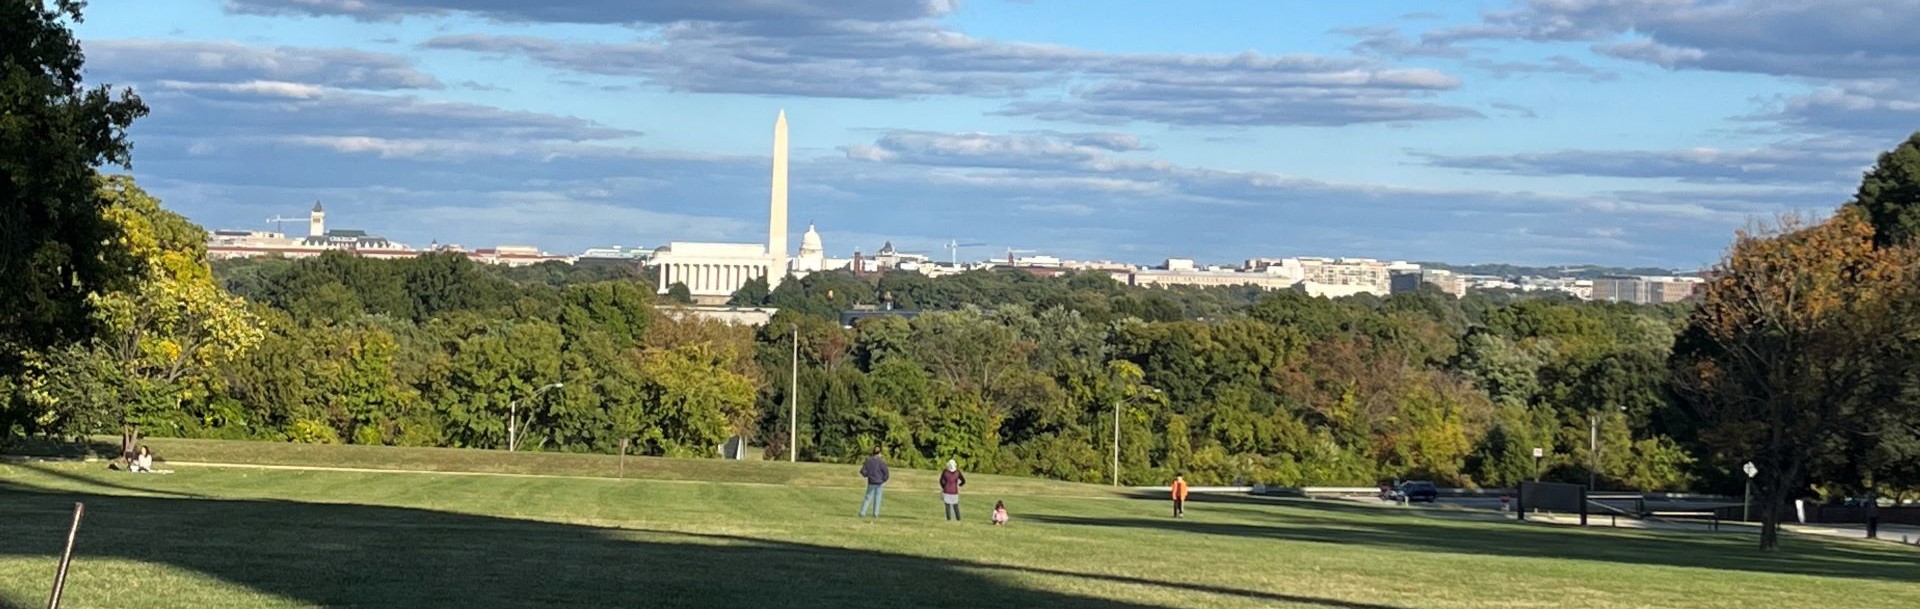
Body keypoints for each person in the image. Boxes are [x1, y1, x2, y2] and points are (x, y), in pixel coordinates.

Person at [858, 446, 890, 520]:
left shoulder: (868, 461)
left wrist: (867, 475)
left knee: (868, 498)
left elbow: (862, 471)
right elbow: (886, 473)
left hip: (871, 482)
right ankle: (875, 514)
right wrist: (883, 480)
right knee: (877, 498)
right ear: (880, 453)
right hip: (879, 482)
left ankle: (862, 513)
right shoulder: (882, 462)